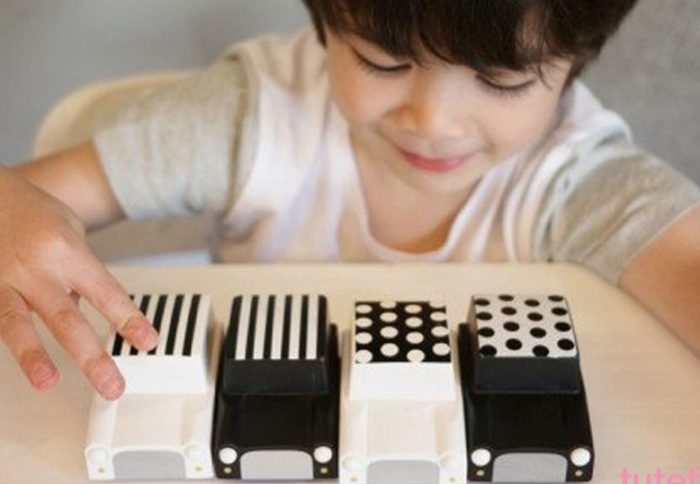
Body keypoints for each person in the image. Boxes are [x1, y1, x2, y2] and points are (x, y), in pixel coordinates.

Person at [0, 0, 698, 402]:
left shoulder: (575, 179)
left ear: (573, 65)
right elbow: (27, 203)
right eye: (383, 63)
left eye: (502, 81)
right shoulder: (254, 118)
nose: (433, 121)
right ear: (327, 24)